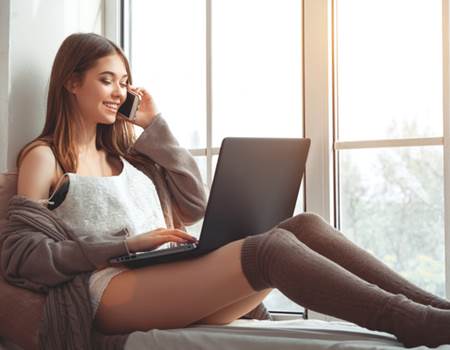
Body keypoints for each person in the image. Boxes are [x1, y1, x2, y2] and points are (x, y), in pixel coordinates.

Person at [6, 32, 450, 348]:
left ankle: (435, 309)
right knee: (267, 250)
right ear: (71, 82)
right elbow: (22, 257)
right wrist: (126, 244)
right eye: (107, 80)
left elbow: (195, 202)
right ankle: (415, 323)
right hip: (111, 290)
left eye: (124, 83)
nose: (119, 93)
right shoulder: (45, 158)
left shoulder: (131, 156)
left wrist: (154, 126)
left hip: (167, 278)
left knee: (306, 226)